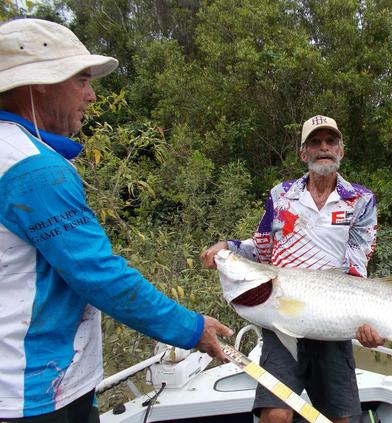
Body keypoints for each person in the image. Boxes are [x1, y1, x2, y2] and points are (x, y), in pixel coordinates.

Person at [0, 18, 233, 422]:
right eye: (82, 80)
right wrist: (191, 328)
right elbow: (99, 275)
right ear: (39, 81)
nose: (91, 96)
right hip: (31, 392)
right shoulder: (34, 170)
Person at [201, 115, 384, 423]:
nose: (323, 147)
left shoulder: (361, 200)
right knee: (275, 415)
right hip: (283, 317)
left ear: (341, 150)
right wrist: (227, 247)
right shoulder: (281, 195)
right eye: (315, 142)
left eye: (330, 141)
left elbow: (359, 261)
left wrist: (365, 320)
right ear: (304, 153)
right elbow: (261, 247)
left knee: (343, 419)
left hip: (332, 316)